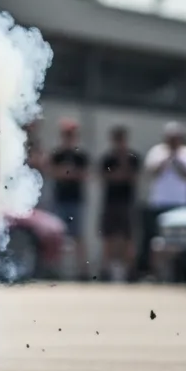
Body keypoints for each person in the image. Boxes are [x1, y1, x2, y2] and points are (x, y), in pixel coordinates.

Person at [139, 121, 186, 280]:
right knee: (156, 241)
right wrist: (168, 158)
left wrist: (177, 159)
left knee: (180, 242)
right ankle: (154, 273)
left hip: (180, 204)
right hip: (159, 203)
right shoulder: (157, 152)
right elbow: (152, 172)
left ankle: (180, 274)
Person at [98, 125, 141, 283]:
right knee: (108, 238)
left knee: (128, 239)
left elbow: (133, 177)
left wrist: (120, 170)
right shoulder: (107, 159)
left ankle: (131, 272)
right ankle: (105, 271)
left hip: (127, 203)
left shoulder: (133, 158)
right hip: (110, 202)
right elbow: (106, 177)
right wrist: (121, 174)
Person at [49, 119, 90, 278]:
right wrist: (68, 174)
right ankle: (55, 270)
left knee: (78, 236)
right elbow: (53, 172)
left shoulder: (81, 155)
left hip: (75, 200)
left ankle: (83, 271)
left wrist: (66, 173)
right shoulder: (57, 154)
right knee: (57, 237)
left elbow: (85, 175)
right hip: (59, 199)